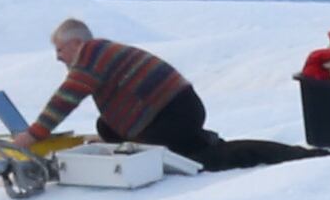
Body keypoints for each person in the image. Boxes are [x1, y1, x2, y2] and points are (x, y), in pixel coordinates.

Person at [28, 20, 309, 171]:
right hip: (176, 109)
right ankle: (196, 137)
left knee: (191, 160)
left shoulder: (92, 54)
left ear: (76, 43)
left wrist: (31, 136)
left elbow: (65, 99)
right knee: (107, 126)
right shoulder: (100, 53)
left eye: (60, 50)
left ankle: (282, 155)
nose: (57, 57)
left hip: (175, 113)